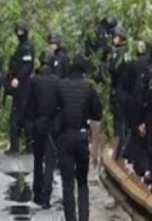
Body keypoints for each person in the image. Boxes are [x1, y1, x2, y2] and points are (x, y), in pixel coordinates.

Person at [55, 55, 103, 221]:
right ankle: (84, 217)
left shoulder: (60, 86)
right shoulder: (89, 88)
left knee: (67, 184)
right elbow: (98, 113)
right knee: (82, 182)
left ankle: (70, 218)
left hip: (64, 138)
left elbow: (54, 110)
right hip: (81, 138)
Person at [28, 50, 60, 209]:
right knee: (50, 160)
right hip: (52, 125)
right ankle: (47, 195)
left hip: (37, 123)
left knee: (38, 159)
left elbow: (28, 104)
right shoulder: (57, 81)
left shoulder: (34, 81)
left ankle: (37, 192)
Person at [119, 41, 150, 175]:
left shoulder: (134, 67)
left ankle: (141, 170)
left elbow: (135, 93)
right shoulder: (146, 69)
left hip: (138, 111)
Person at [6, 20, 35, 155]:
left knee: (17, 117)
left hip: (23, 86)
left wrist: (18, 78)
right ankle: (24, 145)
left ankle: (17, 146)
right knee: (24, 116)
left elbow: (27, 66)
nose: (19, 34)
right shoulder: (22, 46)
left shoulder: (27, 47)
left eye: (21, 32)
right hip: (20, 85)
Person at [108, 25, 129, 159]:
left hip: (119, 92)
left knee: (120, 125)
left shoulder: (119, 52)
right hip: (121, 92)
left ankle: (120, 154)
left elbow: (113, 70)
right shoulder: (124, 52)